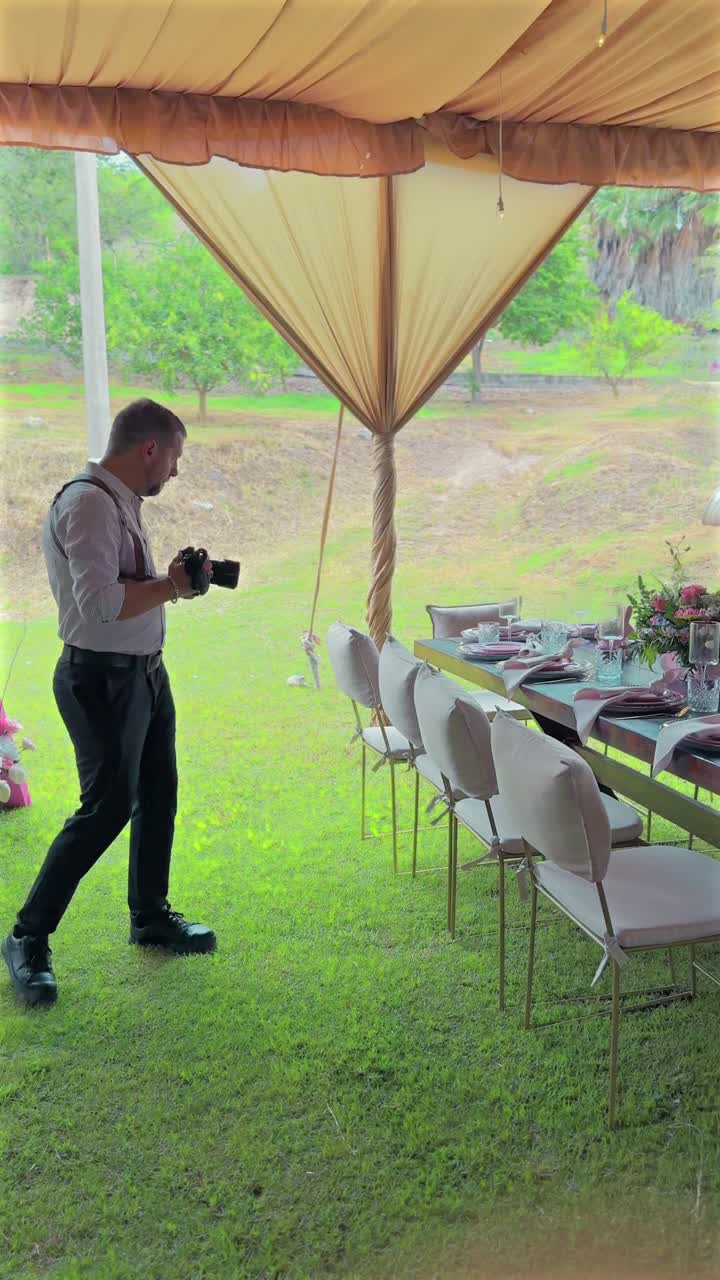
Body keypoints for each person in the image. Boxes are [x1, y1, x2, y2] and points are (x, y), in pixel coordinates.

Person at [2, 398, 216, 1007]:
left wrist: (170, 584)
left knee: (159, 792)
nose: (174, 471)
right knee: (107, 807)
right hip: (100, 680)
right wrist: (172, 586)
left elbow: (123, 588)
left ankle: (149, 913)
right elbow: (98, 603)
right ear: (149, 448)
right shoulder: (89, 503)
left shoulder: (120, 501)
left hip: (145, 674)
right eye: (173, 457)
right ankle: (26, 937)